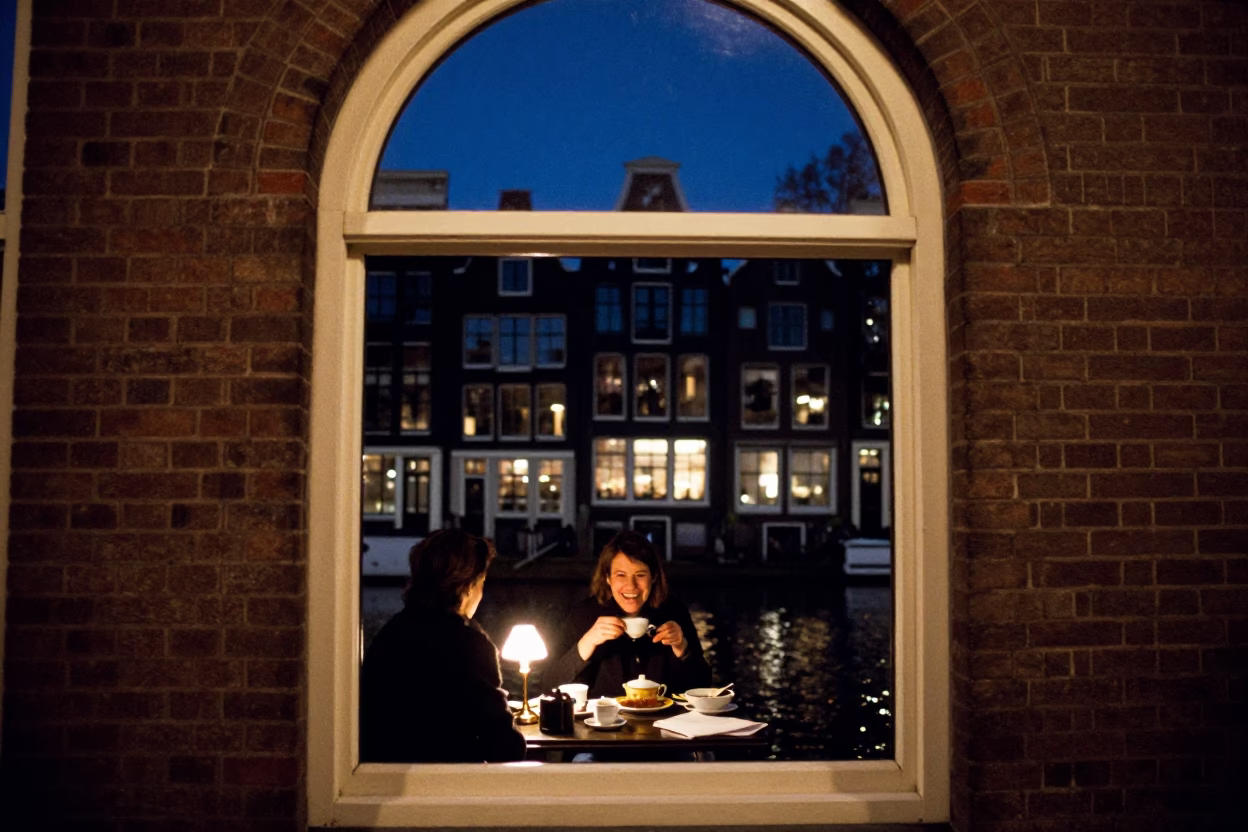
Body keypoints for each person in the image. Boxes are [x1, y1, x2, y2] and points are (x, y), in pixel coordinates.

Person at [359, 529, 526, 763]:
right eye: (482, 583)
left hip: (384, 776)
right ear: (468, 586)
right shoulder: (469, 645)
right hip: (448, 785)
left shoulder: (390, 634)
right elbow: (506, 747)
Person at [546, 531, 711, 700]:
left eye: (640, 575)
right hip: (604, 721)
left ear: (653, 577)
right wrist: (588, 642)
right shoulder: (584, 614)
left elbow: (704, 686)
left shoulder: (674, 611)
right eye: (621, 575)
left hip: (662, 719)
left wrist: (682, 648)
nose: (631, 586)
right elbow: (550, 684)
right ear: (608, 578)